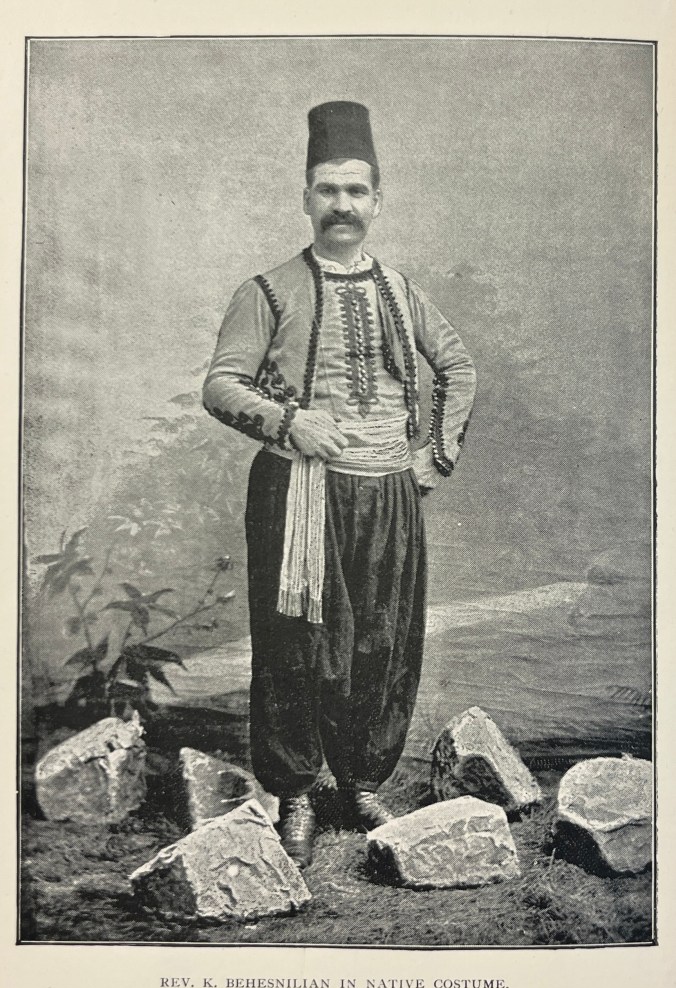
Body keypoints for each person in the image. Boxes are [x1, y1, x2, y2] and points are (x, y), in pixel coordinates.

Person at [203, 101, 476, 868]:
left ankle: (356, 784)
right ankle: (295, 793)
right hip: (300, 496)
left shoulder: (399, 287)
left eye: (357, 191)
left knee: (381, 647)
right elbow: (221, 386)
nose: (342, 206)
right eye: (328, 190)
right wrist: (287, 424)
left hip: (390, 495)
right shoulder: (269, 290)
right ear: (306, 198)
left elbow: (457, 366)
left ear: (377, 201)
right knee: (297, 650)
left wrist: (437, 455)